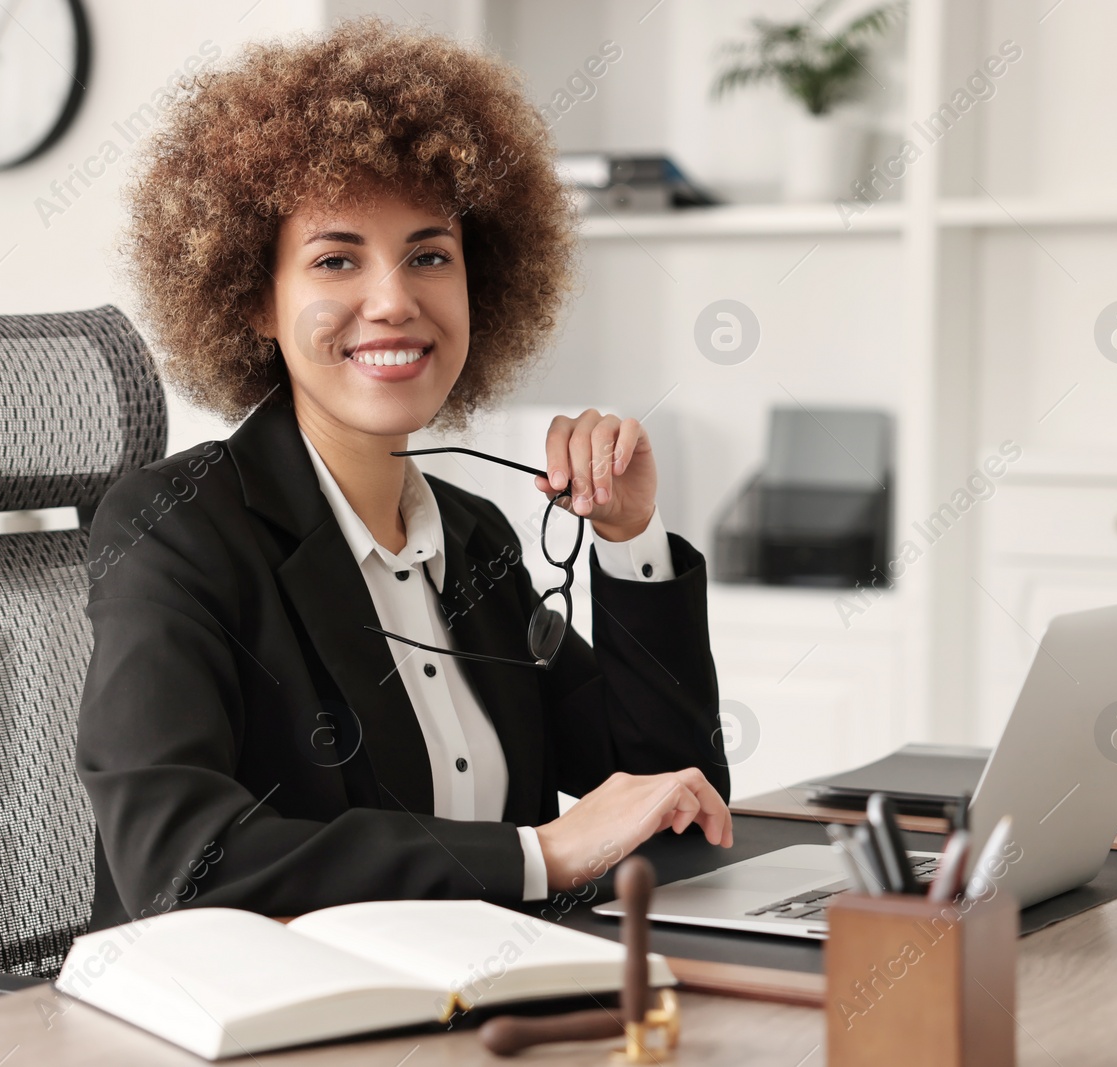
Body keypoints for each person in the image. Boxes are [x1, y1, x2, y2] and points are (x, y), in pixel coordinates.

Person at [76, 16, 731, 930]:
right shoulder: (179, 527)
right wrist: (539, 853)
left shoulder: (472, 536)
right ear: (258, 299)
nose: (394, 301)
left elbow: (672, 792)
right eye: (336, 259)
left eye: (429, 255)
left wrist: (628, 538)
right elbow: (183, 865)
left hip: (475, 1005)